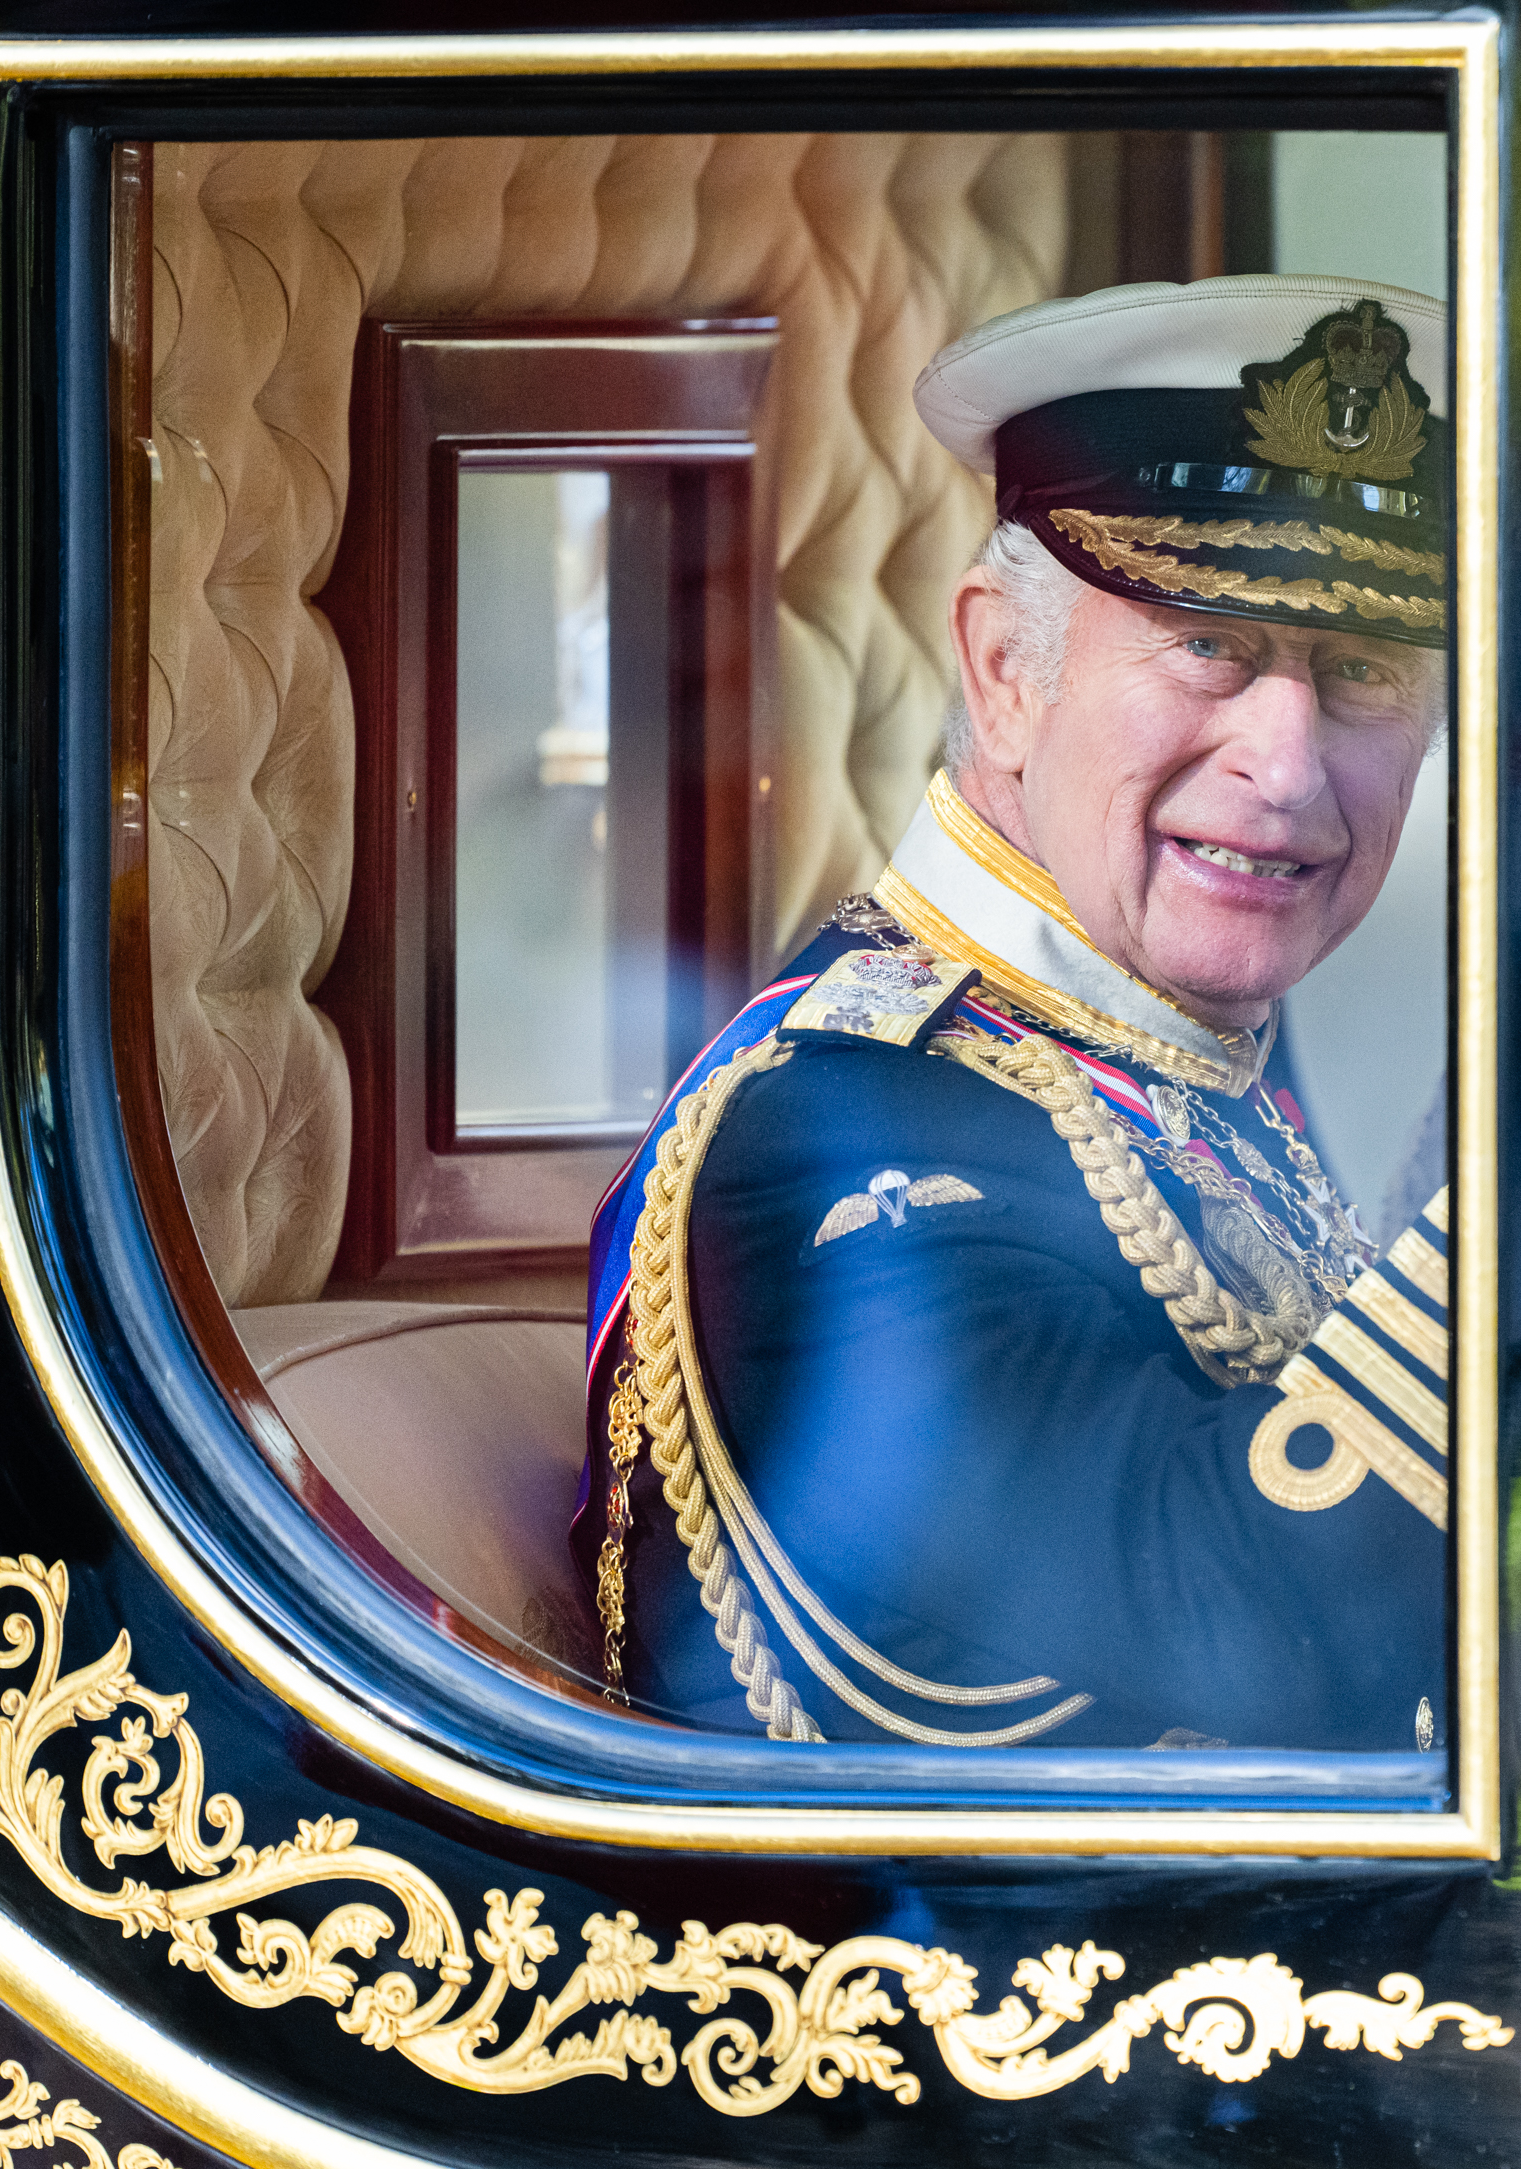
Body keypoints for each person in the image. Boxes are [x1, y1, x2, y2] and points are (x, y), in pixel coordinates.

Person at [568, 276, 1456, 1751]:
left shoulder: (1156, 1057)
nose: (1288, 766)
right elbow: (1255, 1634)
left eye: (1361, 670)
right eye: (1209, 646)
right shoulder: (824, 1128)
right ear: (1002, 672)